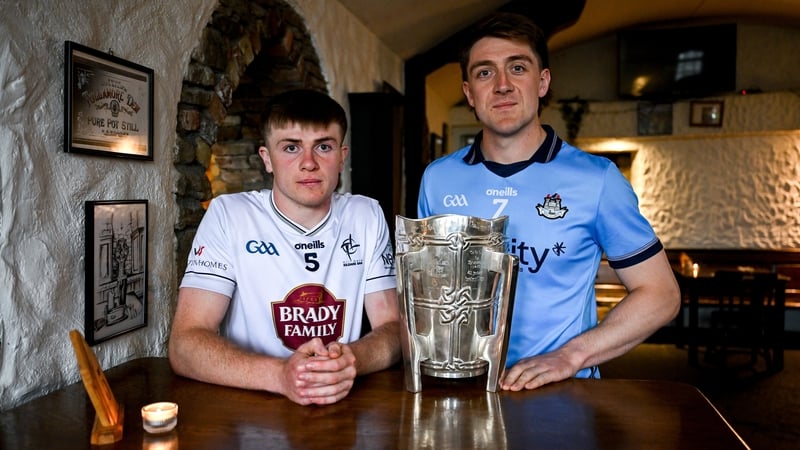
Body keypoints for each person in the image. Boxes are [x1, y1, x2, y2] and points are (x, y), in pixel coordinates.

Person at [417, 12, 680, 391]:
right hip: (462, 388)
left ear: (542, 82)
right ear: (469, 92)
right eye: (485, 72)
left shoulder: (596, 179)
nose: (503, 85)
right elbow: (428, 290)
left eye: (518, 68)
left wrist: (571, 356)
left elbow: (662, 295)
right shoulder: (438, 179)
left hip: (561, 394)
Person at [169, 89, 401, 405]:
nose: (309, 163)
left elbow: (392, 328)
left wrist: (350, 360)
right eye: (291, 147)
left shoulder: (366, 214)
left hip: (341, 399)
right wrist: (281, 375)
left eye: (323, 147)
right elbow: (185, 344)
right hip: (251, 405)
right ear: (267, 158)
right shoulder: (229, 215)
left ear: (342, 156)